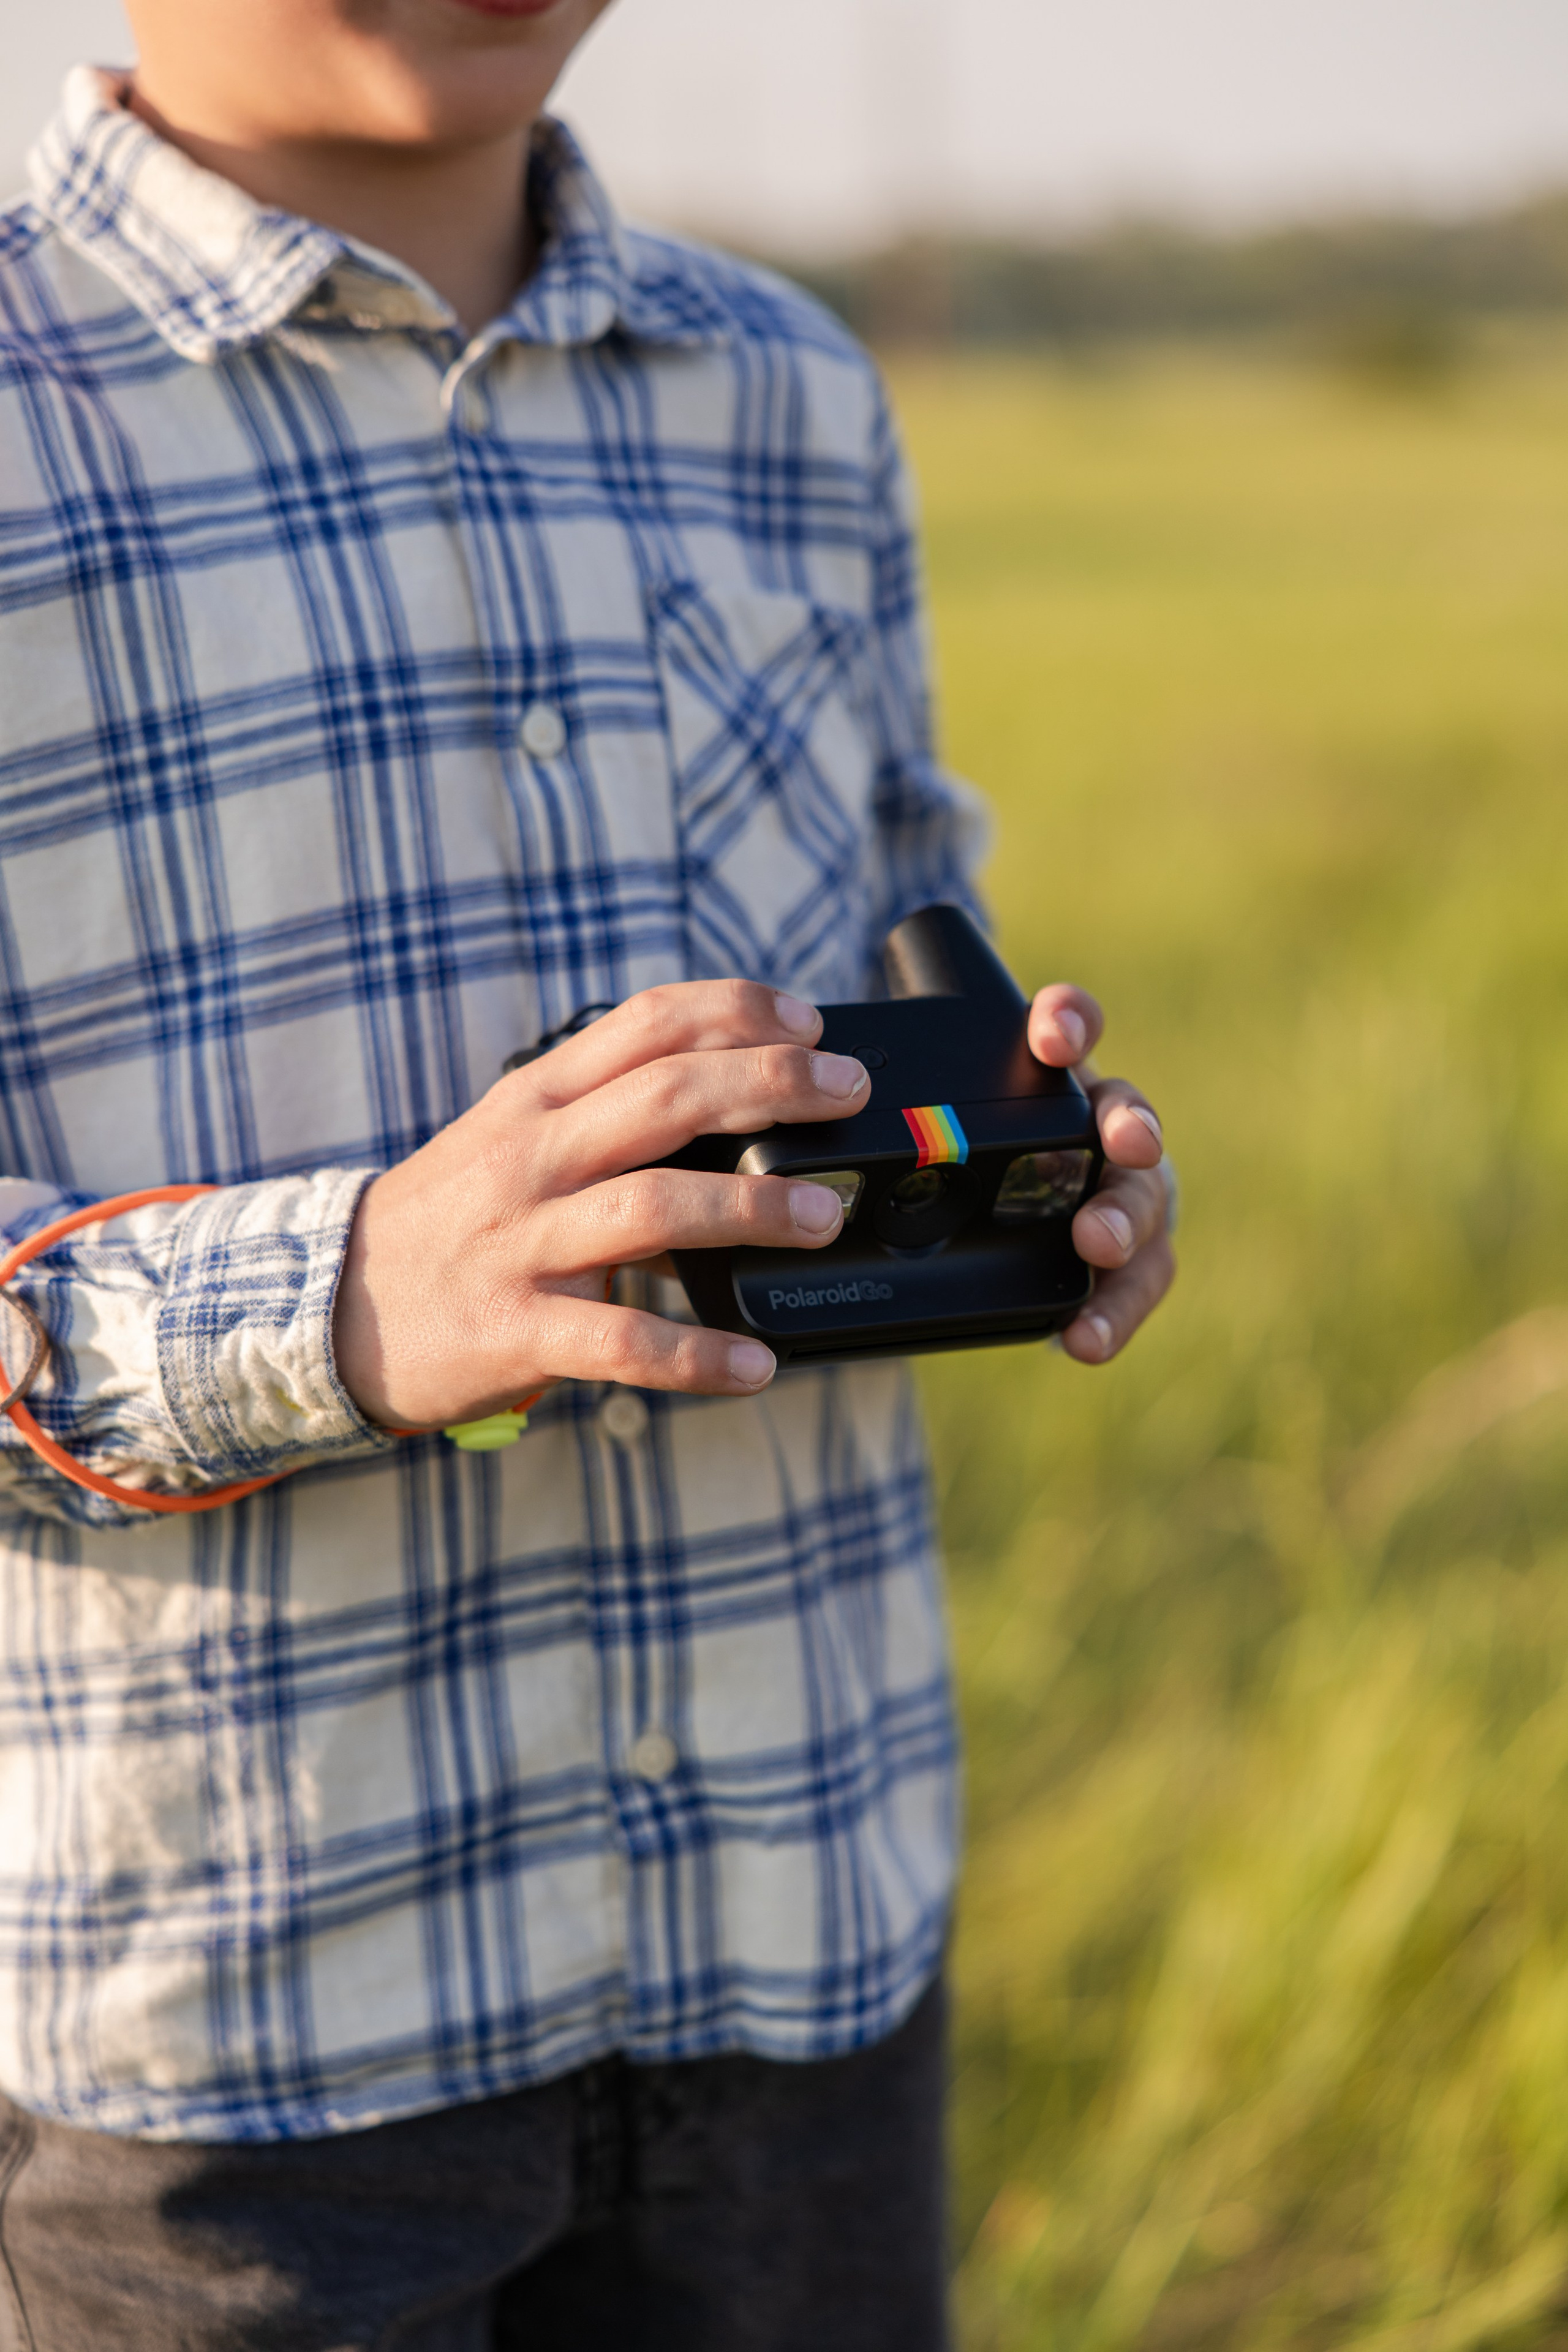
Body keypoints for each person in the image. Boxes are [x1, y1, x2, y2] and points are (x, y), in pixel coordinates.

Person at [0, 2, 1175, 2345]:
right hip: (235, 2066)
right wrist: (354, 1300)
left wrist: (1026, 1174)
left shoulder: (786, 388)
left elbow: (916, 960)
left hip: (803, 1943)